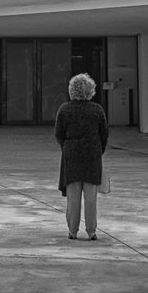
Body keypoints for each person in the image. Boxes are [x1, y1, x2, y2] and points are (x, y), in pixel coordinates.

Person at [54, 72, 108, 241]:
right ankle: (91, 231)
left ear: (72, 90)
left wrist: (67, 147)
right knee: (91, 195)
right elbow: (104, 134)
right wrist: (99, 150)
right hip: (92, 154)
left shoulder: (64, 109)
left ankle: (73, 231)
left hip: (71, 154)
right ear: (91, 90)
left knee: (73, 195)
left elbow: (58, 133)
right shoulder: (97, 110)